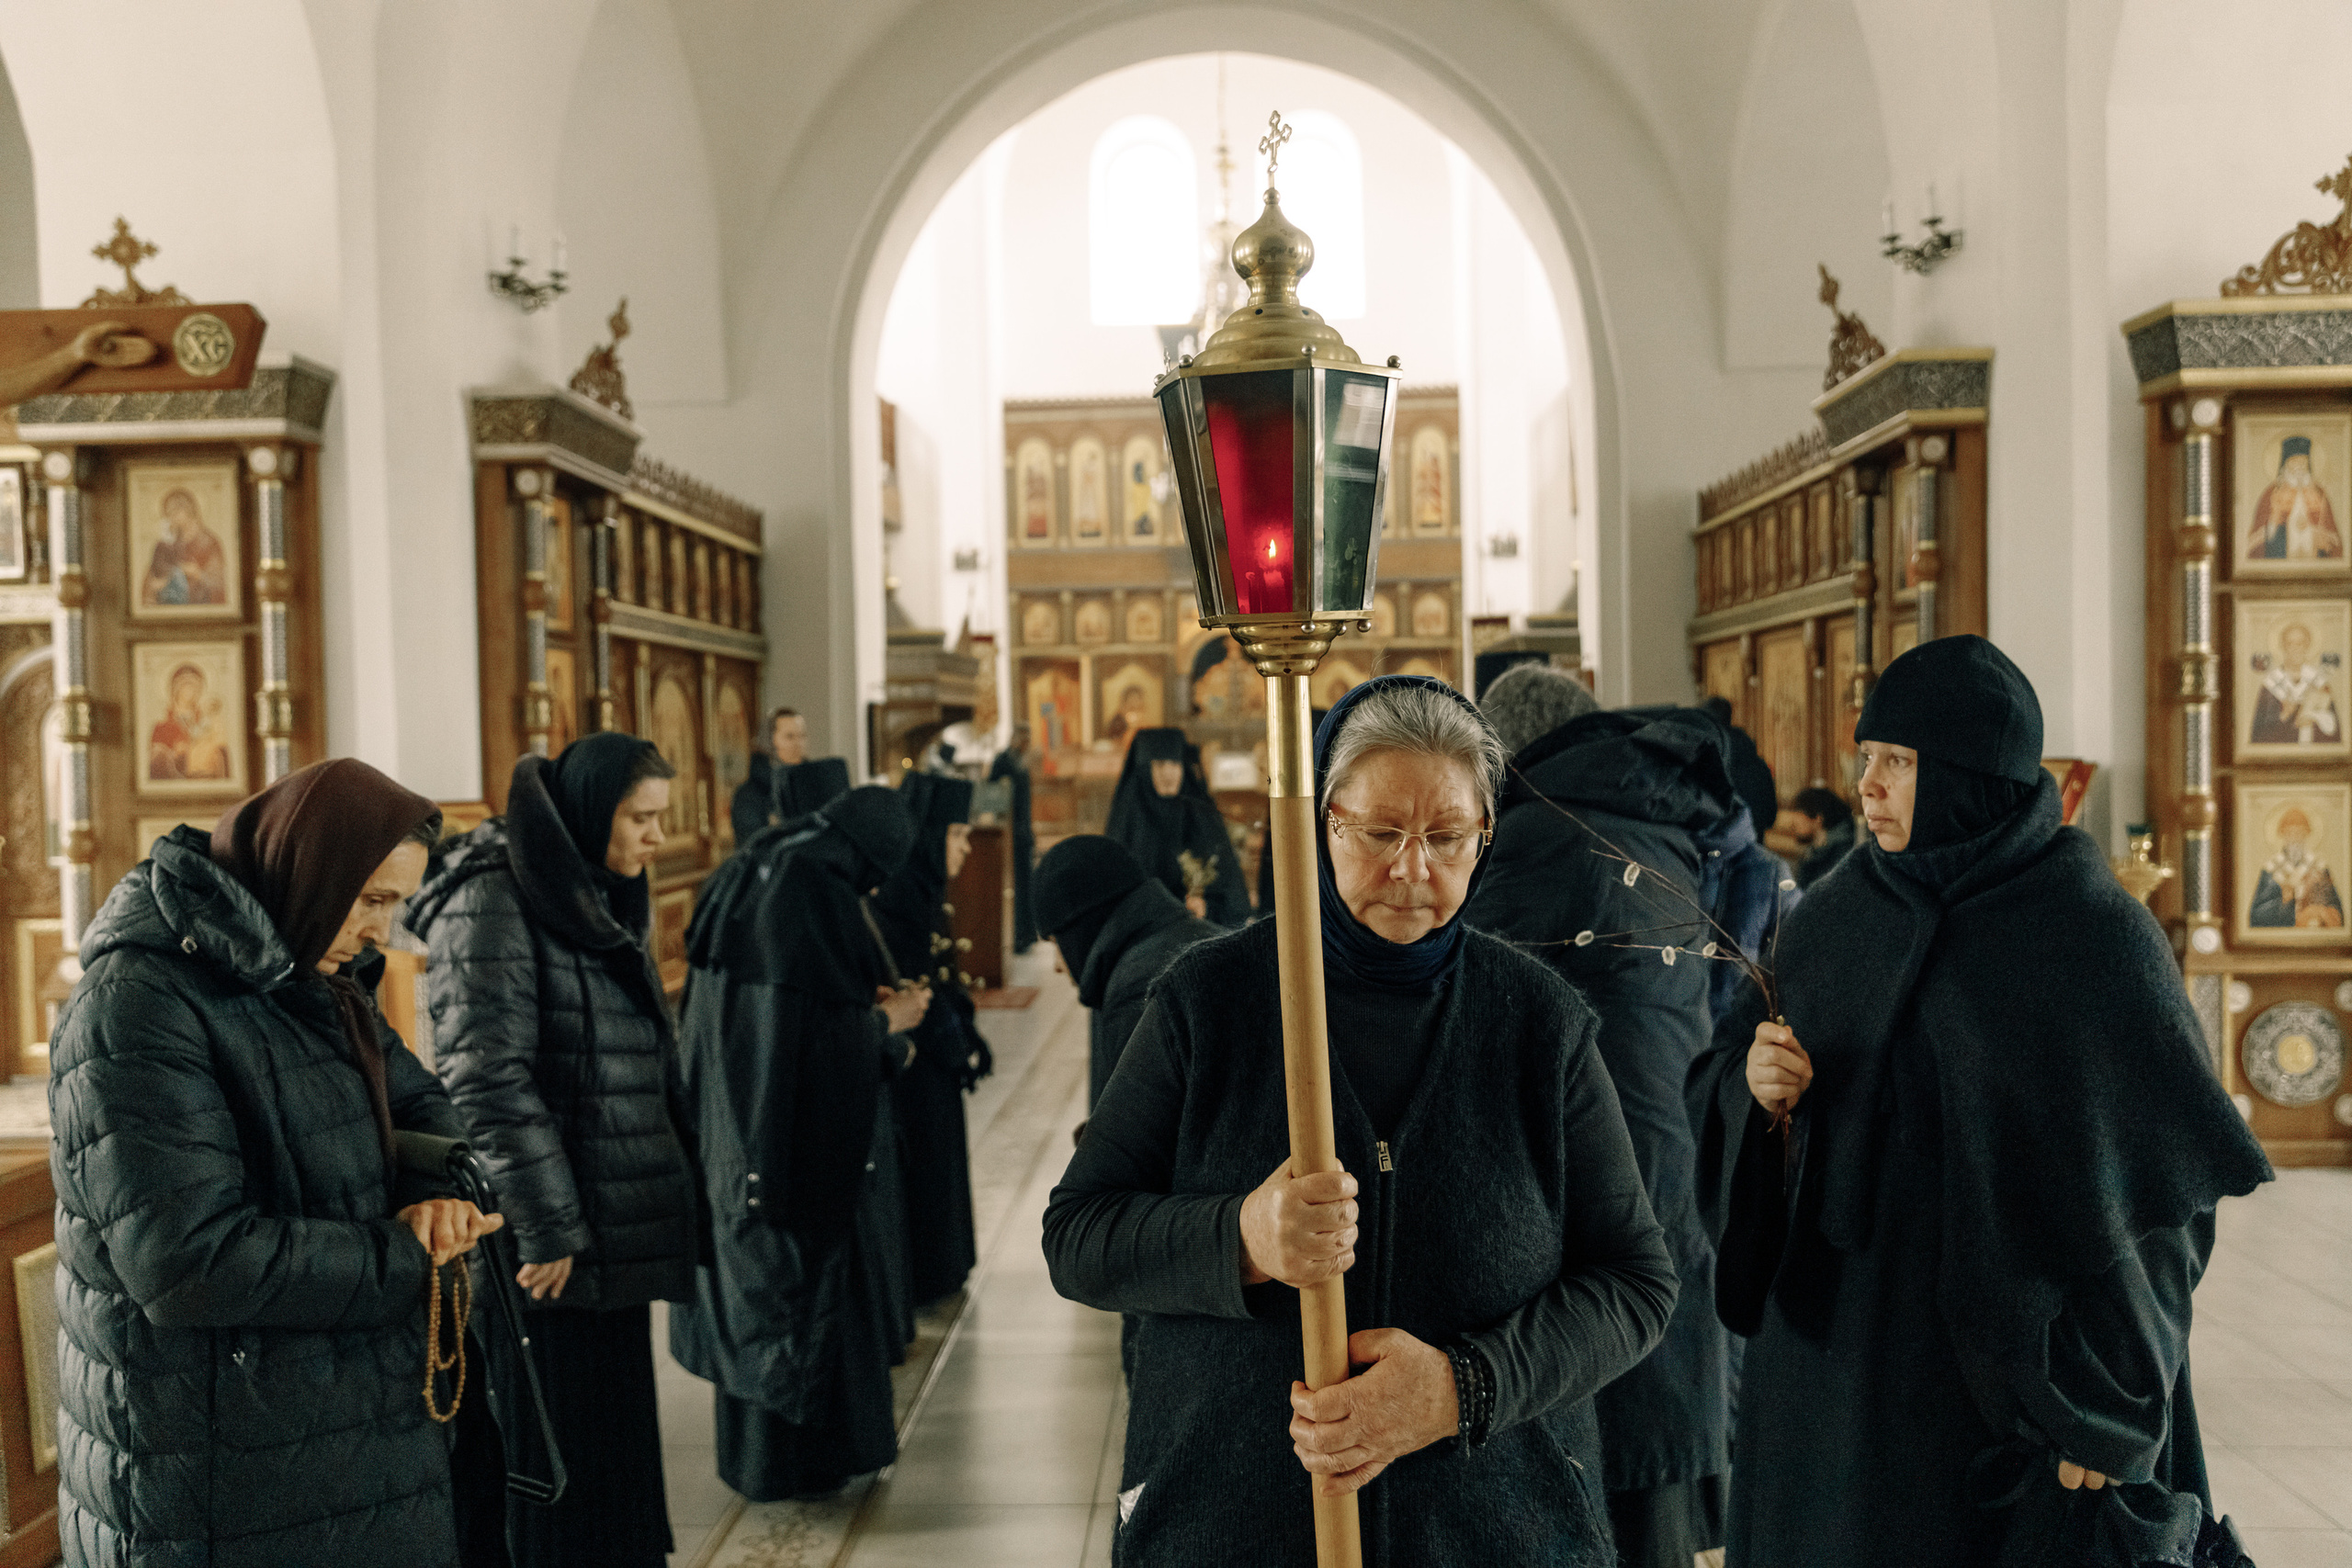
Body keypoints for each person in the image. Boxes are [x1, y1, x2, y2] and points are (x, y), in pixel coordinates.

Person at [1044, 676, 1678, 1565]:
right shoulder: (1209, 999)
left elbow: (1634, 1283)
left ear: (1484, 837)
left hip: (1494, 1531)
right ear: (1322, 823)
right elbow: (1078, 1234)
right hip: (1229, 1525)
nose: (1411, 868)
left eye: (1447, 837)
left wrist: (1460, 1390)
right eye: (1380, 833)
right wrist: (1239, 1237)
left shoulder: (1537, 1022)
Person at [1690, 636, 2271, 1568]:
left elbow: (2161, 1211)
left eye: (1898, 762)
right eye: (1866, 758)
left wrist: (2114, 1412)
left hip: (2002, 1398)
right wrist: (1757, 1096)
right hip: (1831, 1388)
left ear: (1969, 774)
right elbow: (1732, 1086)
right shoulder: (1837, 915)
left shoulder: (2090, 936)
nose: (1867, 786)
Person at [51, 760, 502, 1567]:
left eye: (394, 905)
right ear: (309, 869)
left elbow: (424, 1107)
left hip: (334, 1425)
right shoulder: (140, 1001)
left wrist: (437, 1198)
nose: (380, 932)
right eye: (370, 901)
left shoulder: (312, 972)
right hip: (216, 1459)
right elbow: (188, 1260)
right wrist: (408, 1254)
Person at [406, 732, 699, 1568]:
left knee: (609, 1437)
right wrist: (546, 1223)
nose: (654, 837)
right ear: (586, 810)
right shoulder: (491, 895)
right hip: (549, 1234)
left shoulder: (588, 883)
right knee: (554, 1444)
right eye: (639, 818)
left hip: (600, 1210)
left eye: (659, 819)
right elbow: (485, 1076)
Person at [1469, 660, 1735, 1568]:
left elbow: (1476, 1017)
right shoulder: (1645, 823)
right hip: (1668, 1171)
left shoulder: (1542, 837)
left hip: (1598, 1192)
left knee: (1606, 1472)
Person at [670, 786, 933, 1499]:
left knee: (757, 1287)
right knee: (799, 1300)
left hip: (733, 1137)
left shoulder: (762, 861)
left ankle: (762, 1460)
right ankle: (801, 1465)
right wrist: (890, 1025)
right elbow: (816, 1053)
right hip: (790, 1157)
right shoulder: (813, 891)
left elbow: (773, 1023)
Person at [872, 773, 993, 1304]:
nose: (965, 848)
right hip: (914, 1062)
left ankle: (946, 1265)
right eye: (957, 835)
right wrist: (956, 1042)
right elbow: (916, 983)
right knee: (925, 1161)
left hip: (934, 1058)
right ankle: (929, 1272)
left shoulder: (922, 887)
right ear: (929, 834)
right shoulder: (901, 894)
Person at [1034, 834, 1218, 1111]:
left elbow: (1141, 1138)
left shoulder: (1136, 989)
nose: (1058, 966)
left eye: (1057, 944)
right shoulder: (1197, 936)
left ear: (1081, 929)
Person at [1105, 726, 1249, 927]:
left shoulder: (1201, 818)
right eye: (1160, 764)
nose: (1169, 773)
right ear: (1145, 771)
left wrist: (1206, 906)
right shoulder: (1128, 823)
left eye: (1175, 763)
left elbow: (1232, 897)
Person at [2245, 434, 2344, 561]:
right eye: (2294, 461)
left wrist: (2316, 532)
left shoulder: (2319, 493)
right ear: (2285, 464)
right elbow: (2259, 536)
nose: (2299, 466)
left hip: (2314, 559)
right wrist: (2274, 524)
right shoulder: (2272, 493)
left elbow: (2332, 535)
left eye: (2303, 461)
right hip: (2281, 559)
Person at [989, 724, 1038, 951]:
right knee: (1015, 887)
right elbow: (993, 794)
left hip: (1022, 833)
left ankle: (1026, 936)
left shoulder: (1021, 761)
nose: (1026, 744)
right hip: (1010, 834)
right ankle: (1017, 937)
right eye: (1023, 739)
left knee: (1025, 886)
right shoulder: (1003, 761)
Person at [734, 706, 810, 846]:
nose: (798, 744)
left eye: (802, 736)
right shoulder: (749, 796)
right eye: (790, 737)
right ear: (769, 742)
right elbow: (755, 848)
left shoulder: (813, 786)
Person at [1787, 784, 1858, 891]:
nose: (1792, 825)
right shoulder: (1816, 852)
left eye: (1798, 818)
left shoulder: (1840, 858)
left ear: (1817, 819)